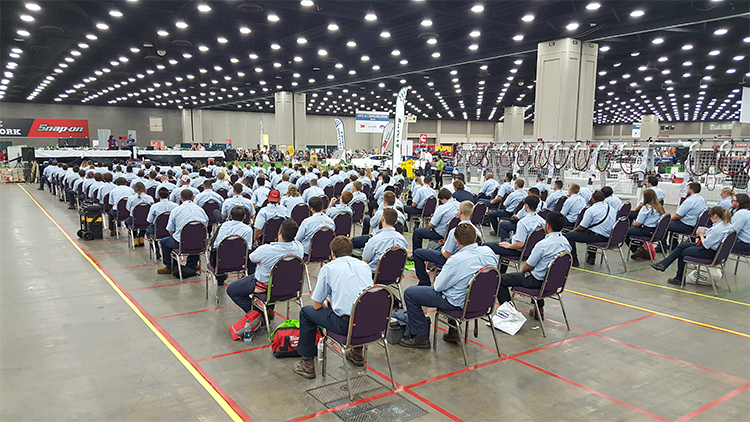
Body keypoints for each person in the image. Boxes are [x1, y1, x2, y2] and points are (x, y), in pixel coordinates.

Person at [399, 224, 498, 347]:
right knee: (459, 288)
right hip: (482, 302)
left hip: (458, 304)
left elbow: (438, 287)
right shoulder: (489, 253)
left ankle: (420, 336)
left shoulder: (456, 260)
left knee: (410, 293)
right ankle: (453, 332)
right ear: (475, 237)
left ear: (456, 241)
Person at [292, 236, 372, 378]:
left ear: (332, 253)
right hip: (370, 323)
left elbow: (316, 305)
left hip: (346, 325)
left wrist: (327, 304)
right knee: (358, 309)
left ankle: (307, 363)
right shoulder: (364, 266)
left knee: (306, 312)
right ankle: (357, 352)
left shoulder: (328, 268)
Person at [497, 211, 572, 321]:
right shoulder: (566, 243)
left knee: (501, 280)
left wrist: (521, 276)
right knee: (542, 272)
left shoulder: (543, 245)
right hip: (554, 282)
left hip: (537, 281)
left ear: (547, 225)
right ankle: (539, 309)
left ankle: (509, 314)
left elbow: (528, 266)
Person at [227, 218, 303, 318]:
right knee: (278, 275)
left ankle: (259, 314)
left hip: (264, 286)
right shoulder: (299, 248)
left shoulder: (266, 249)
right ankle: (270, 309)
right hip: (288, 286)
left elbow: (252, 258)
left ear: (279, 231)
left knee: (231, 290)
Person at [651, 206, 734, 285]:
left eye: (710, 217)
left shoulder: (716, 229)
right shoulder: (728, 226)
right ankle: (664, 264)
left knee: (684, 252)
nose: (710, 219)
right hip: (718, 252)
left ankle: (679, 278)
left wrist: (701, 235)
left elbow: (706, 245)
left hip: (710, 252)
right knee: (683, 245)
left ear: (715, 216)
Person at [412, 201, 480, 286]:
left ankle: (424, 281)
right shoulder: (477, 232)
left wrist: (443, 248)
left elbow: (446, 255)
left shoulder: (455, 231)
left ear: (460, 212)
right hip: (470, 260)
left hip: (452, 259)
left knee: (418, 253)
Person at [485, 195, 546, 273]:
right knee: (506, 241)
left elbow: (520, 244)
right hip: (532, 251)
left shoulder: (523, 222)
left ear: (526, 206)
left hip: (518, 250)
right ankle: (501, 274)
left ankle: (493, 273)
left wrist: (509, 246)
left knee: (486, 246)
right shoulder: (542, 221)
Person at [157, 189, 209, 275]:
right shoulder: (201, 210)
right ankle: (191, 265)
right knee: (195, 239)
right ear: (193, 198)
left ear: (181, 198)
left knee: (164, 242)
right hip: (200, 243)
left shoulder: (176, 211)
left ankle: (171, 267)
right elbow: (205, 227)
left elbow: (170, 231)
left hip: (181, 243)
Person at [565, 190, 617, 267]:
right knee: (593, 231)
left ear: (593, 199)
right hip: (609, 237)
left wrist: (573, 231)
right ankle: (591, 258)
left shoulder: (591, 210)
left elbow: (582, 227)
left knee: (569, 235)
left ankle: (573, 261)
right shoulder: (611, 209)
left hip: (597, 237)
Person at [209, 206, 254, 285]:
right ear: (245, 217)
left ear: (230, 216)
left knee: (219, 251)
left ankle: (220, 279)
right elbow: (248, 249)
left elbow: (214, 245)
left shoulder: (222, 226)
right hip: (239, 261)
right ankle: (249, 280)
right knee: (252, 253)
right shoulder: (248, 230)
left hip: (220, 262)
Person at [362, 208, 408, 273]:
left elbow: (365, 262)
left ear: (382, 219)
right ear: (395, 222)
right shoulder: (402, 240)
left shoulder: (374, 241)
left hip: (374, 276)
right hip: (394, 274)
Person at [628, 189, 667, 259]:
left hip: (647, 231)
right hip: (656, 232)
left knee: (625, 232)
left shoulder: (646, 208)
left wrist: (634, 223)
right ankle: (640, 248)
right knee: (633, 230)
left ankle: (636, 249)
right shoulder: (660, 207)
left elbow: (638, 223)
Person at [667, 182, 707, 250]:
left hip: (687, 226)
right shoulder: (702, 200)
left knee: (666, 224)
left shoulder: (689, 201)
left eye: (688, 189)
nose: (687, 191)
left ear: (691, 190)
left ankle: (664, 245)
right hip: (696, 226)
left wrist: (668, 220)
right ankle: (673, 244)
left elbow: (678, 216)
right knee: (674, 224)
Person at [124, 182, 155, 247]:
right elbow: (152, 208)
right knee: (143, 224)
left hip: (134, 220)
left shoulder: (131, 198)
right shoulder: (149, 198)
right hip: (146, 220)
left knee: (126, 222)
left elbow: (128, 208)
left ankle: (135, 236)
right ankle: (141, 236)